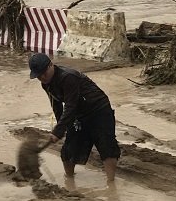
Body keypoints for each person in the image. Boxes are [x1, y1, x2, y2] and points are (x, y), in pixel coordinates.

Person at [28, 53, 120, 182]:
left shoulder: (68, 77)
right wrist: (61, 128)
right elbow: (56, 105)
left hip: (99, 109)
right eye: (38, 76)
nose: (42, 77)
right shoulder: (46, 84)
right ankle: (69, 180)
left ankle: (111, 184)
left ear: (51, 65)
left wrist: (58, 130)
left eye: (44, 73)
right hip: (79, 113)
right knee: (69, 149)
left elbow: (70, 105)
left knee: (106, 145)